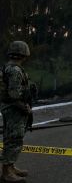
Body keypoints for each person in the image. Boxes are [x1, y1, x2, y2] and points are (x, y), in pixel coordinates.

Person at [0, 41, 32, 182]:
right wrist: (25, 109)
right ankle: (6, 172)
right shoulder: (15, 71)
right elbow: (14, 95)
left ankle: (10, 167)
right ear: (23, 53)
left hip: (10, 108)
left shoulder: (9, 67)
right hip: (14, 109)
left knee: (11, 137)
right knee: (14, 139)